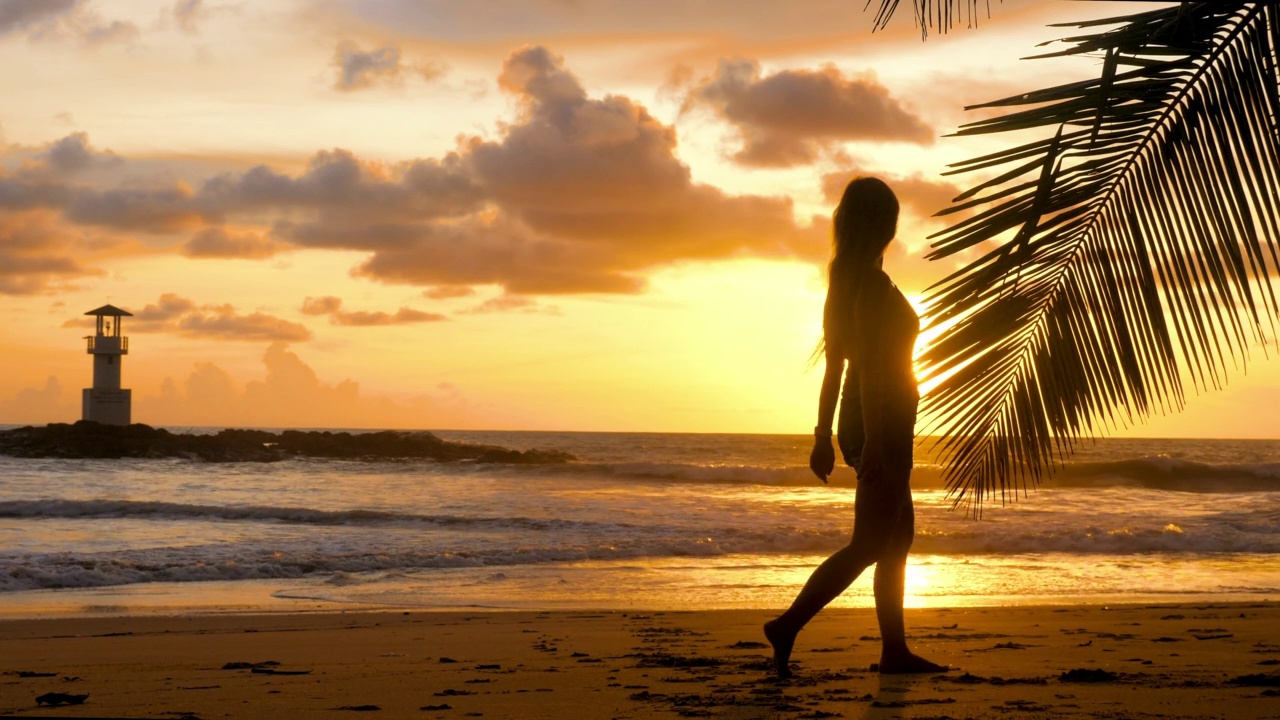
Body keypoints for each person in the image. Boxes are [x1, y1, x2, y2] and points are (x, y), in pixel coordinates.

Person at [764, 177, 947, 678]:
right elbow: (864, 370)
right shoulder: (865, 285)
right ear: (881, 223)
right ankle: (786, 626)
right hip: (879, 421)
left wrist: (824, 436)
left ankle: (894, 650)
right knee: (870, 542)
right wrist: (878, 444)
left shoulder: (849, 277)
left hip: (875, 419)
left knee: (897, 540)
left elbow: (834, 370)